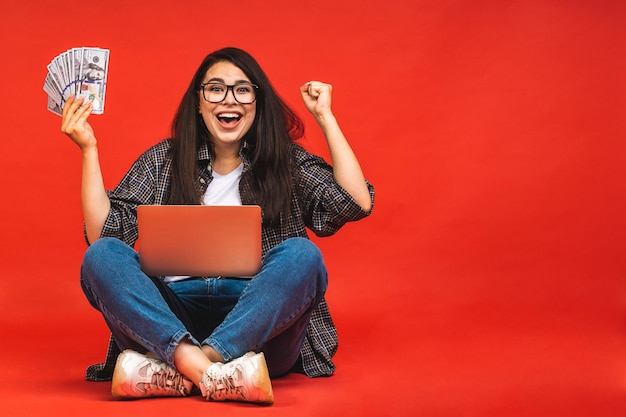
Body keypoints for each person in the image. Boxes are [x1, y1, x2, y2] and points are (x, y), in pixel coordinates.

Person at [61, 47, 374, 404]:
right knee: (102, 255)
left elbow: (354, 202)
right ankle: (211, 370)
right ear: (198, 101)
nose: (230, 99)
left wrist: (325, 116)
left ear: (257, 102)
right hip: (172, 318)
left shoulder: (283, 161)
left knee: (303, 255)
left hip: (259, 325)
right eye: (216, 88)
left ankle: (190, 368)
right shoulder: (164, 160)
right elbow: (105, 234)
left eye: (242, 89)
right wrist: (89, 150)